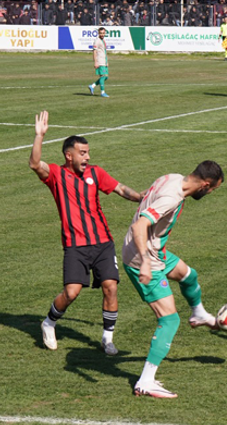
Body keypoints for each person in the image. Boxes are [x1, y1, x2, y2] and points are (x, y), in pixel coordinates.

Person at [28, 111, 145, 355]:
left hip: (103, 242)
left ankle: (107, 338)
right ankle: (49, 322)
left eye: (88, 152)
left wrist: (140, 197)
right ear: (68, 156)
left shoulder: (95, 173)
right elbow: (35, 164)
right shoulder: (57, 176)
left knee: (111, 287)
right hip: (75, 246)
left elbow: (119, 188)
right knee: (71, 292)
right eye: (83, 153)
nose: (87, 157)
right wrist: (39, 136)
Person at [123, 161, 224, 398]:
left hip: (156, 250)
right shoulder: (172, 198)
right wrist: (146, 262)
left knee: (189, 275)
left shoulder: (171, 177)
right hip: (144, 258)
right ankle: (146, 381)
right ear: (205, 185)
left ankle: (198, 313)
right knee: (169, 321)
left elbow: (145, 197)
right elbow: (140, 226)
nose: (209, 194)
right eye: (212, 190)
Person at [88, 27, 110, 98]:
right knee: (103, 76)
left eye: (103, 33)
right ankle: (102, 92)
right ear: (98, 33)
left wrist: (107, 61)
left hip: (104, 61)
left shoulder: (103, 40)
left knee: (105, 77)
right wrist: (95, 62)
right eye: (101, 33)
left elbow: (104, 51)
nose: (102, 34)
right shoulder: (97, 41)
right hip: (100, 61)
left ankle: (92, 86)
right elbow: (94, 51)